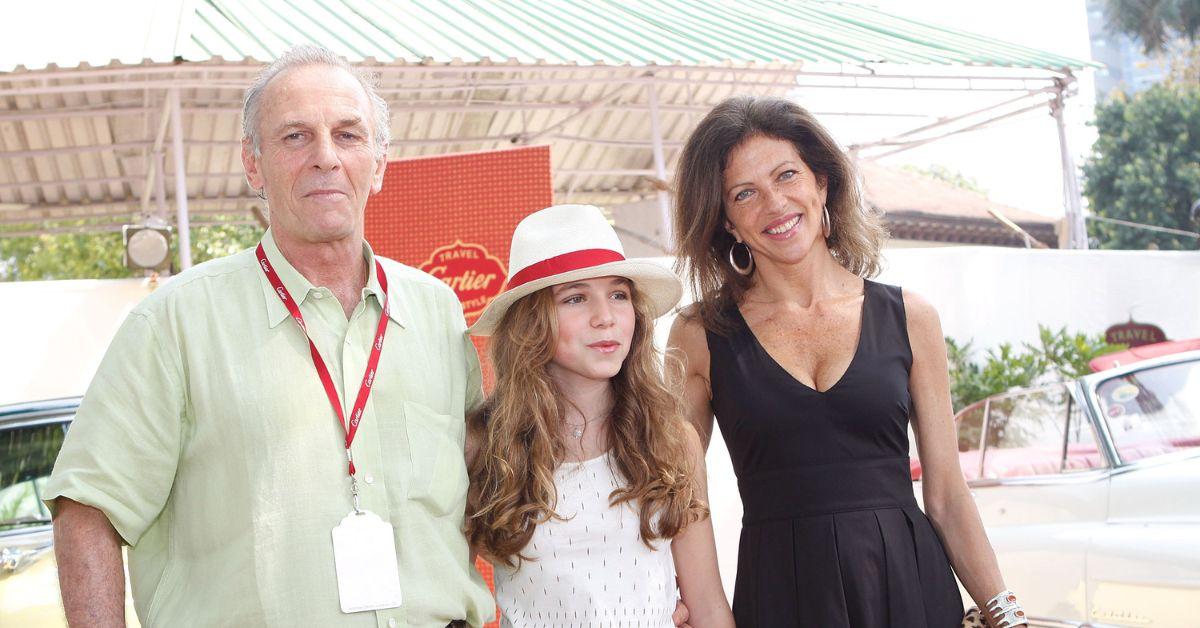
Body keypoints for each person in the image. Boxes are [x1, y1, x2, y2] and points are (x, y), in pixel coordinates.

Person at [44, 44, 492, 627]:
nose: (326, 157)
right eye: (295, 137)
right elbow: (88, 511)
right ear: (254, 165)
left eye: (349, 135)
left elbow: (485, 495)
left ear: (379, 163)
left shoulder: (438, 312)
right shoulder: (174, 324)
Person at [668, 95, 1029, 628]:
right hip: (780, 594)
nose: (775, 204)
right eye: (745, 194)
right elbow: (677, 498)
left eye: (787, 176)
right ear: (725, 222)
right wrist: (700, 607)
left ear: (822, 183)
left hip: (911, 588)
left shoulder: (911, 317)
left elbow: (948, 497)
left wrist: (1005, 614)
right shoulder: (699, 334)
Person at [465, 204, 735, 628]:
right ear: (531, 321)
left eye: (618, 295)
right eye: (575, 298)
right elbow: (450, 596)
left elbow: (708, 605)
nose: (605, 317)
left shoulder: (670, 438)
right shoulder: (484, 445)